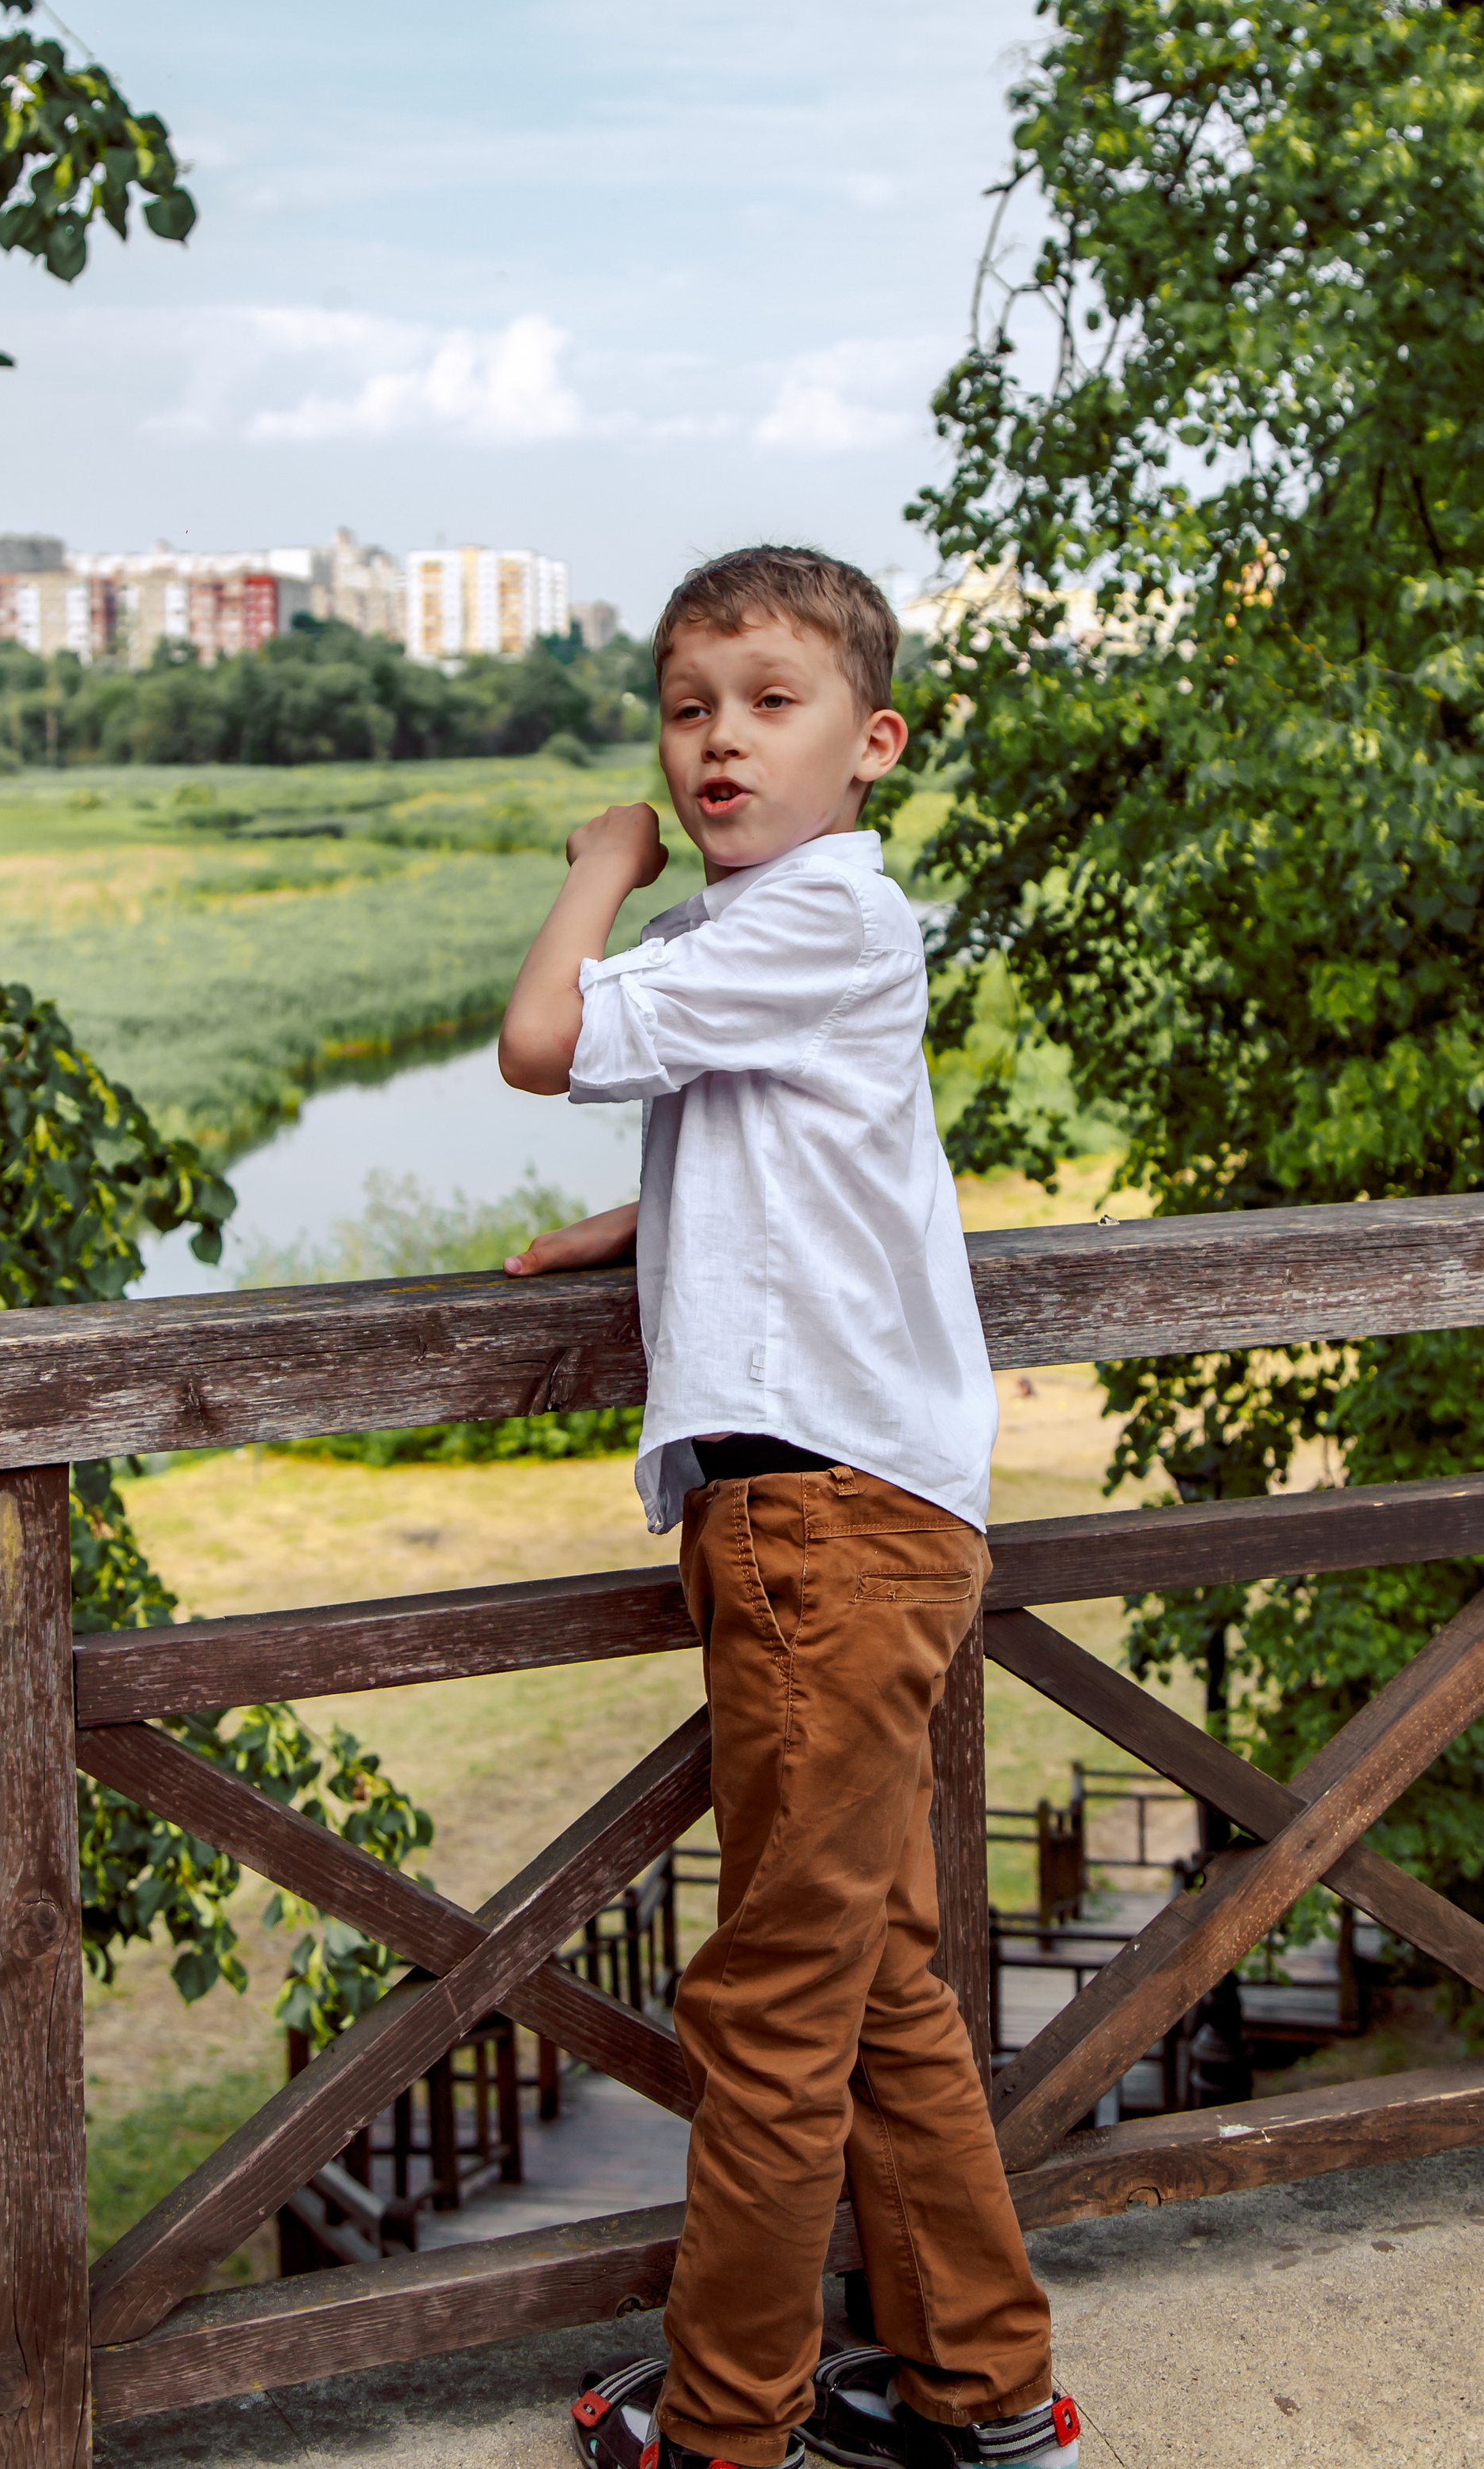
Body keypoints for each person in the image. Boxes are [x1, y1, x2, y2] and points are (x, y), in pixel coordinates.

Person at [497, 547, 1080, 2469]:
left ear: (870, 742)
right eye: (685, 712)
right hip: (852, 1513)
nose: (715, 745)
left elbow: (543, 1043)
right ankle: (982, 2396)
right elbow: (813, 1150)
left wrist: (599, 867)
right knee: (873, 1977)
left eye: (768, 702)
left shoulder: (809, 910)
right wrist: (652, 1214)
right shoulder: (799, 927)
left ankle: (720, 2435)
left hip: (818, 1523)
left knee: (767, 2005)